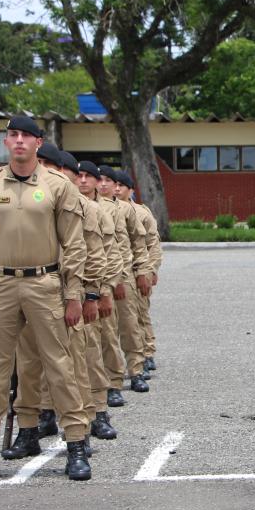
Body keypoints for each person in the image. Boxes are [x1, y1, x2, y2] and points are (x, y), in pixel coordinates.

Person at [0, 116, 91, 482]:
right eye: (13, 135)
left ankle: (77, 445)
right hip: (1, 285)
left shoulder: (57, 186)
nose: (19, 141)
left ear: (38, 142)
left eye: (26, 136)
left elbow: (74, 244)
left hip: (45, 283)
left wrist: (74, 293)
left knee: (60, 367)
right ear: (6, 142)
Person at [1, 146, 106, 461]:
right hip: (29, 294)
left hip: (66, 298)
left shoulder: (84, 207)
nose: (43, 170)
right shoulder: (27, 201)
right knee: (28, 366)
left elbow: (95, 257)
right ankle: (29, 429)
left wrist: (90, 295)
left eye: (51, 165)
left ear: (69, 173)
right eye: (41, 164)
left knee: (71, 367)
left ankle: (81, 428)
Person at [97, 166, 152, 394]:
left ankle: (136, 370)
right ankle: (112, 382)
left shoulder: (127, 210)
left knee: (129, 326)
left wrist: (143, 272)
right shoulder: (89, 208)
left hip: (125, 274)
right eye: (99, 180)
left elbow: (139, 244)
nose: (104, 184)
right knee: (106, 333)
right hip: (100, 278)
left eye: (108, 180)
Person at [77, 159, 122, 439]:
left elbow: (112, 253)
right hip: (52, 290)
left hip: (89, 290)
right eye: (77, 175)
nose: (82, 181)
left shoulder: (104, 211)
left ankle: (99, 411)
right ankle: (43, 414)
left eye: (87, 176)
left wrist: (104, 290)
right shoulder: (53, 204)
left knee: (94, 350)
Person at [116, 172, 163, 379]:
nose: (117, 189)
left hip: (137, 271)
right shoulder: (107, 209)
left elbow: (152, 245)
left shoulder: (141, 213)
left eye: (121, 185)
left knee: (141, 315)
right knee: (125, 320)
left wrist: (150, 270)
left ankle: (147, 351)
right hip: (120, 271)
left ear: (131, 190)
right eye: (113, 184)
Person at [94, 166, 129, 406]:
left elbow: (123, 246)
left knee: (112, 332)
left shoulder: (115, 210)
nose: (107, 185)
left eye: (109, 180)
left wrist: (117, 280)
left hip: (104, 280)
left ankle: (115, 382)